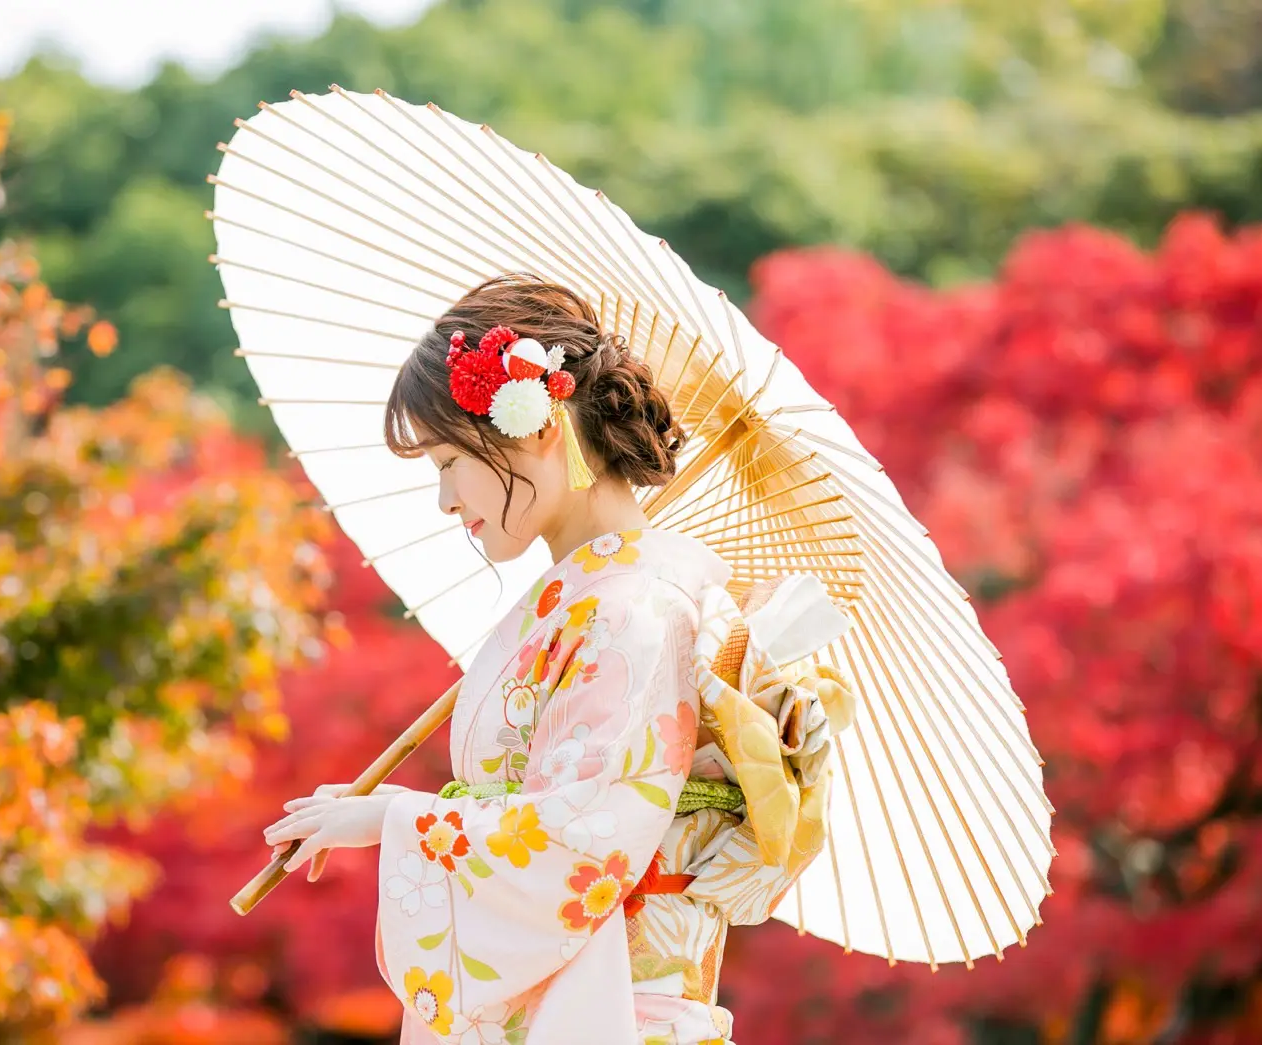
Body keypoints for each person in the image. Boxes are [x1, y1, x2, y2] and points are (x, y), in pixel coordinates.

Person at [261, 275, 842, 1045]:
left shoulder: (636, 607)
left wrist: (392, 817)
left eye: (446, 461)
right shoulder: (601, 598)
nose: (444, 500)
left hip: (614, 1007)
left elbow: (584, 838)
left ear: (535, 428)